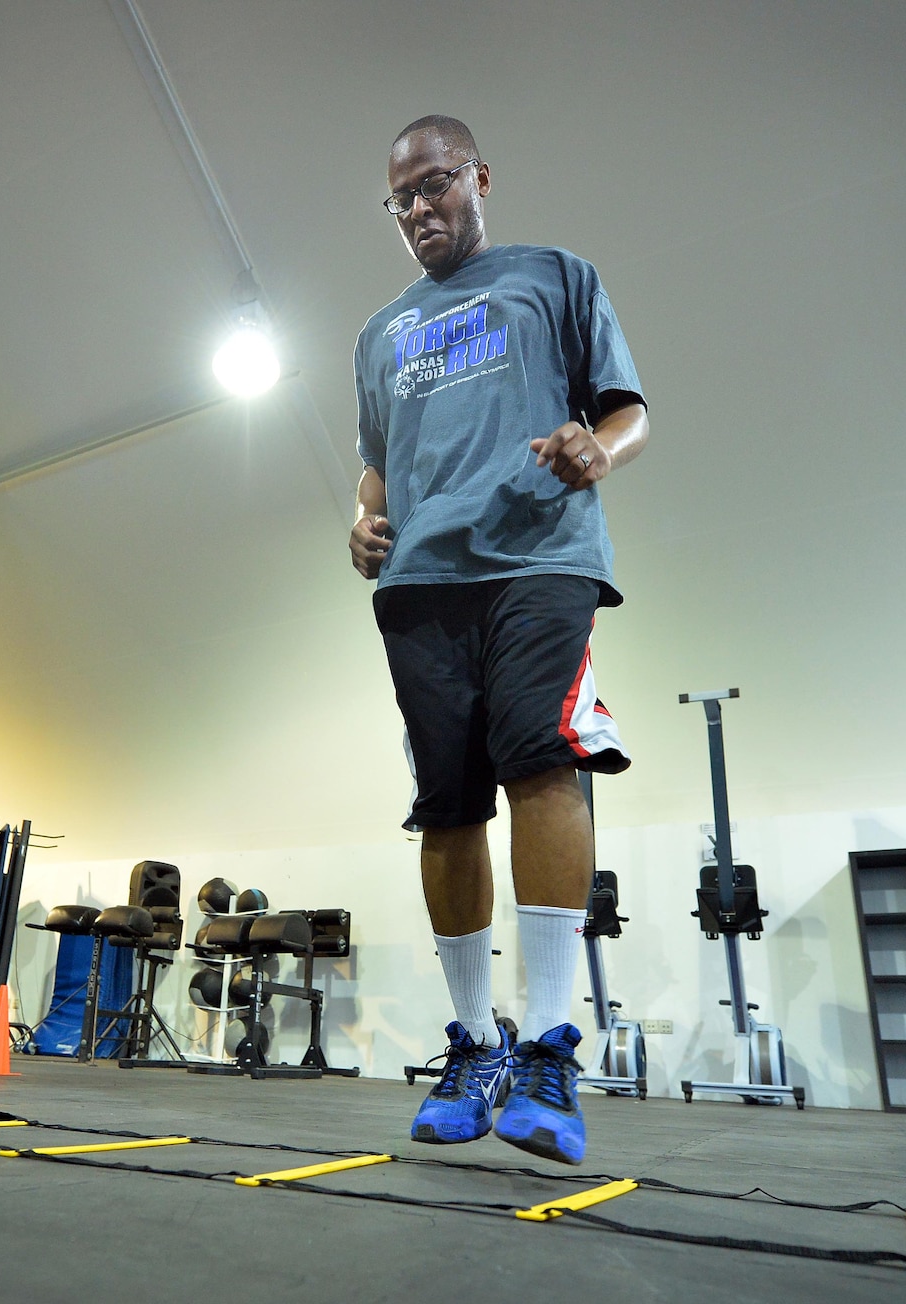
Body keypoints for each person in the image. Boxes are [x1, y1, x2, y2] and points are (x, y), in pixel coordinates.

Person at [351, 115, 649, 1164]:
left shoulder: (553, 276)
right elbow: (375, 463)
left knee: (538, 755)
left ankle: (551, 1045)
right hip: (419, 584)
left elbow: (627, 410)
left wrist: (595, 449)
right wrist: (360, 517)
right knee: (444, 803)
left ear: (477, 176)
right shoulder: (377, 333)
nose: (421, 209)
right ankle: (474, 1041)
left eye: (435, 185)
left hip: (538, 556)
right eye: (402, 200)